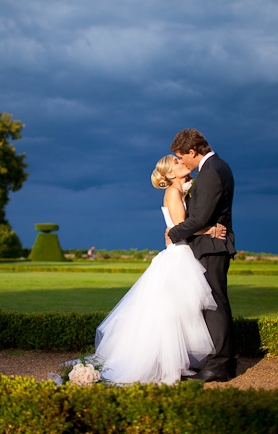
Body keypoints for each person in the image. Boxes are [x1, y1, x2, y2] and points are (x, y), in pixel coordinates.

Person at [92, 155, 225, 384]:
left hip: (180, 252)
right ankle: (171, 365)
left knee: (180, 312)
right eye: (176, 162)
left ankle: (179, 363)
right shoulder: (173, 193)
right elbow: (182, 227)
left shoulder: (179, 190)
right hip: (179, 255)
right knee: (173, 313)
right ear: (170, 174)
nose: (182, 162)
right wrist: (211, 231)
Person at [166, 128, 236, 383]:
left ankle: (220, 366)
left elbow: (200, 218)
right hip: (209, 243)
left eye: (181, 157)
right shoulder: (215, 168)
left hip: (211, 247)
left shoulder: (211, 172)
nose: (181, 162)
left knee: (214, 306)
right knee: (212, 305)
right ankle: (219, 361)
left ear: (193, 152)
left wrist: (173, 233)